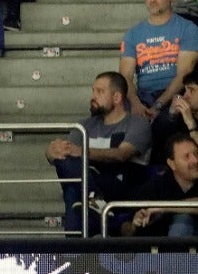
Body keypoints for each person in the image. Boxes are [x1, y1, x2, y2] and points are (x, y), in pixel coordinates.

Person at [46, 71, 152, 233]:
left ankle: (75, 252)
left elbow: (121, 155)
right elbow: (66, 153)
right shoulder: (84, 126)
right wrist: (51, 152)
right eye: (93, 91)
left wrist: (81, 151)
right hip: (90, 183)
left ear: (117, 98)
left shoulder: (137, 124)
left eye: (100, 92)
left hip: (123, 185)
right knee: (74, 188)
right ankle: (106, 214)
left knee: (74, 193)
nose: (93, 96)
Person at [123, 134, 198, 237]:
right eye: (187, 156)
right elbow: (126, 229)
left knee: (182, 221)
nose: (195, 160)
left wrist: (162, 208)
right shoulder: (155, 186)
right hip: (156, 252)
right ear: (171, 164)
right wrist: (135, 224)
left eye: (196, 154)